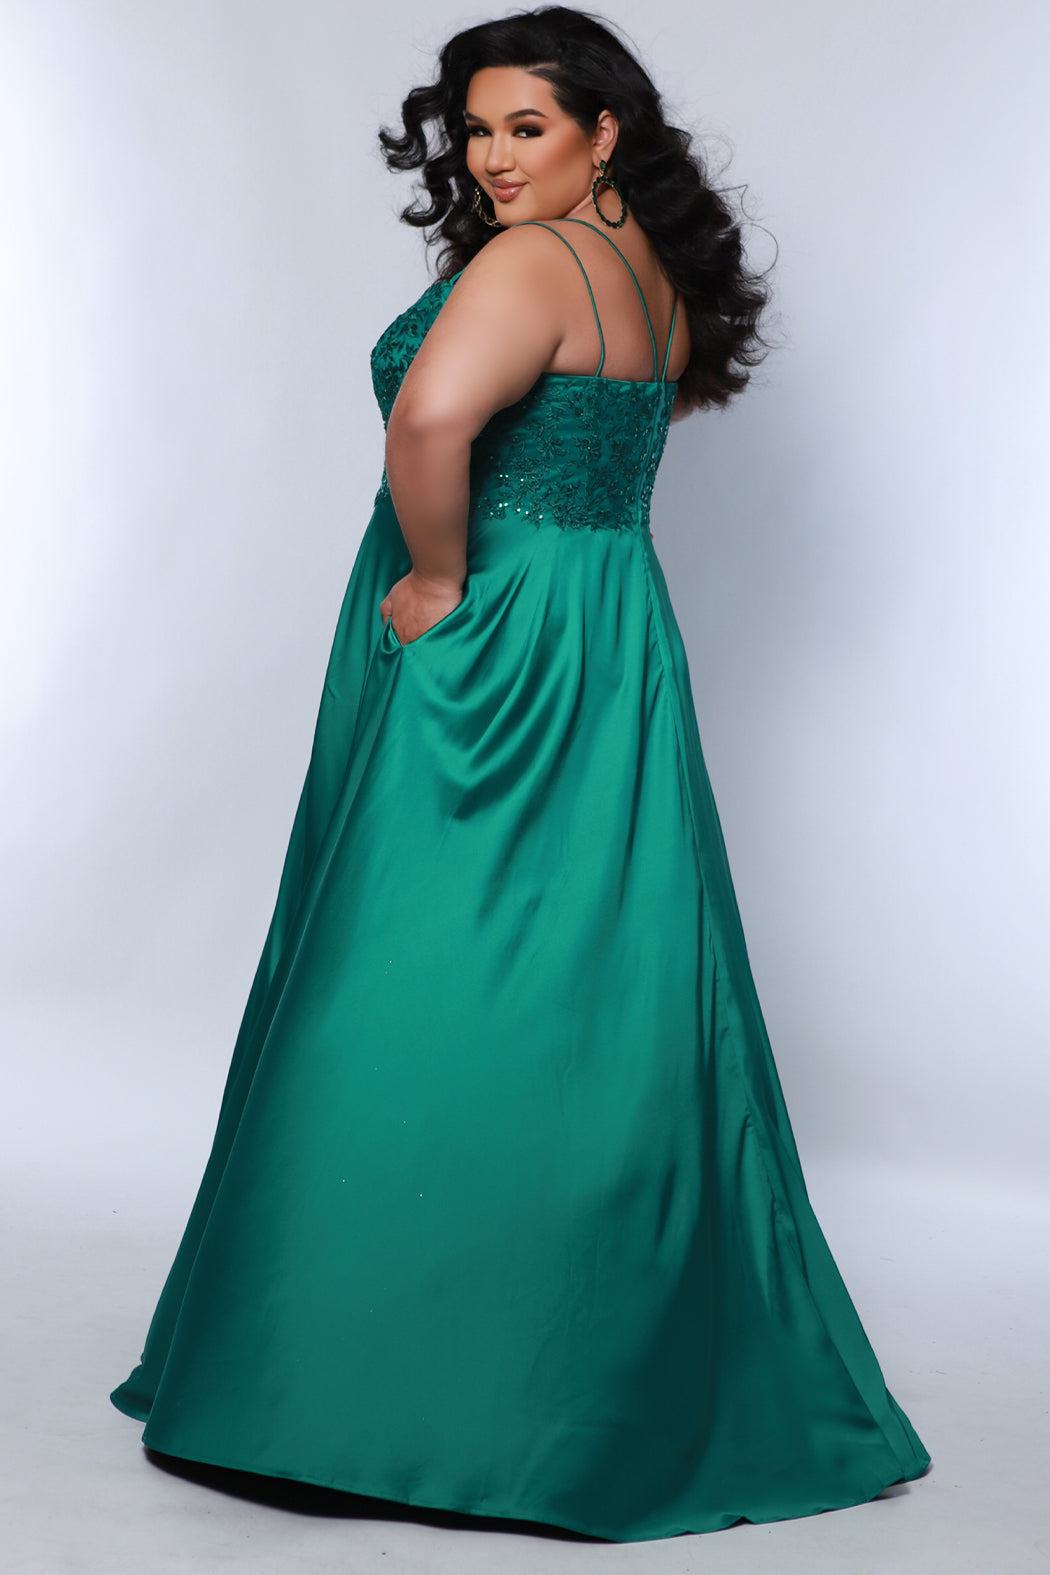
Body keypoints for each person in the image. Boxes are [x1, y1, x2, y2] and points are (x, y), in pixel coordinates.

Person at [110, 5, 930, 1543]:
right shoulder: (646, 268)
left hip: (496, 621)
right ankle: (560, 1384)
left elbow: (434, 419)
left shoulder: (533, 260)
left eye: (524, 128)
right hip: (608, 619)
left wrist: (433, 581)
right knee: (581, 990)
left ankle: (347, 1391)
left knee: (406, 969)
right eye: (476, 130)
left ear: (603, 130)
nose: (491, 159)